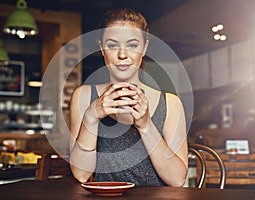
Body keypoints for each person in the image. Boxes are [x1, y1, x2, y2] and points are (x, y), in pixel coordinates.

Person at [69, 8, 188, 187]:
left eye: (132, 45)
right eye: (112, 45)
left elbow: (177, 179)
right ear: (102, 48)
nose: (122, 54)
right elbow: (81, 174)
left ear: (144, 47)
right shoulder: (84, 96)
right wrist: (91, 116)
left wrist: (146, 124)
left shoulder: (170, 103)